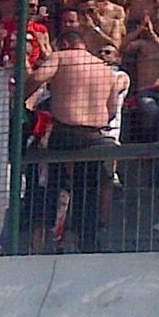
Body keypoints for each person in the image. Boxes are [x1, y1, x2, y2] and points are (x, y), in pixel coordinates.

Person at [25, 31, 119, 252]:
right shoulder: (106, 69)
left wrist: (22, 97)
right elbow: (112, 110)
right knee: (87, 191)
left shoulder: (62, 57)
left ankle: (44, 237)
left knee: (49, 184)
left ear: (65, 44)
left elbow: (38, 78)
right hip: (95, 134)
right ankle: (84, 240)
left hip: (65, 132)